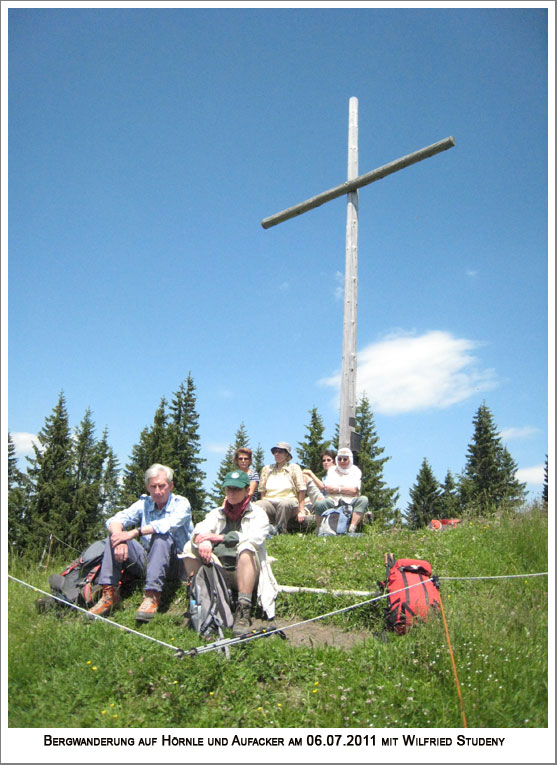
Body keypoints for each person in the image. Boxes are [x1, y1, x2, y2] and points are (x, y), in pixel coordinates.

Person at [88, 464, 193, 622]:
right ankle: (109, 594)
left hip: (177, 564)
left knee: (162, 536)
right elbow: (116, 520)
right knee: (114, 536)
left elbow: (167, 525)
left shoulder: (181, 504)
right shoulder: (144, 503)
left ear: (170, 486)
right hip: (149, 560)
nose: (158, 491)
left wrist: (134, 532)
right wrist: (120, 537)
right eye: (153, 486)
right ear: (147, 487)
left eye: (162, 486)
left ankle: (152, 595)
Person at [183, 470, 278, 636]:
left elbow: (255, 538)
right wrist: (204, 540)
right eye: (229, 489)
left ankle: (243, 610)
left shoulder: (258, 514)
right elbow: (200, 531)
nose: (232, 492)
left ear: (247, 490)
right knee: (189, 548)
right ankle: (198, 600)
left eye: (237, 489)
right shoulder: (216, 513)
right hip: (219, 570)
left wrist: (219, 537)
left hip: (248, 572)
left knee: (246, 548)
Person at [312, 447, 370, 535]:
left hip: (350, 500)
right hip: (333, 500)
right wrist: (344, 488)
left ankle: (352, 528)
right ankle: (319, 529)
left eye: (345, 459)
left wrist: (337, 488)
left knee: (363, 499)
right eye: (339, 459)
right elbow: (327, 488)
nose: (342, 461)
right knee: (319, 504)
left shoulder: (356, 471)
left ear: (350, 459)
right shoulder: (332, 470)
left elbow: (354, 490)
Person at [256, 441, 307, 534]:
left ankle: (281, 532)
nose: (277, 454)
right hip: (270, 502)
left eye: (280, 452)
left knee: (284, 504)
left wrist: (301, 510)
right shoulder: (267, 469)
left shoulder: (294, 468)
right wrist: (264, 501)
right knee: (259, 505)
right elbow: (262, 490)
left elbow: (301, 489)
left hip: (289, 503)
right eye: (275, 451)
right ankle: (261, 532)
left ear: (287, 454)